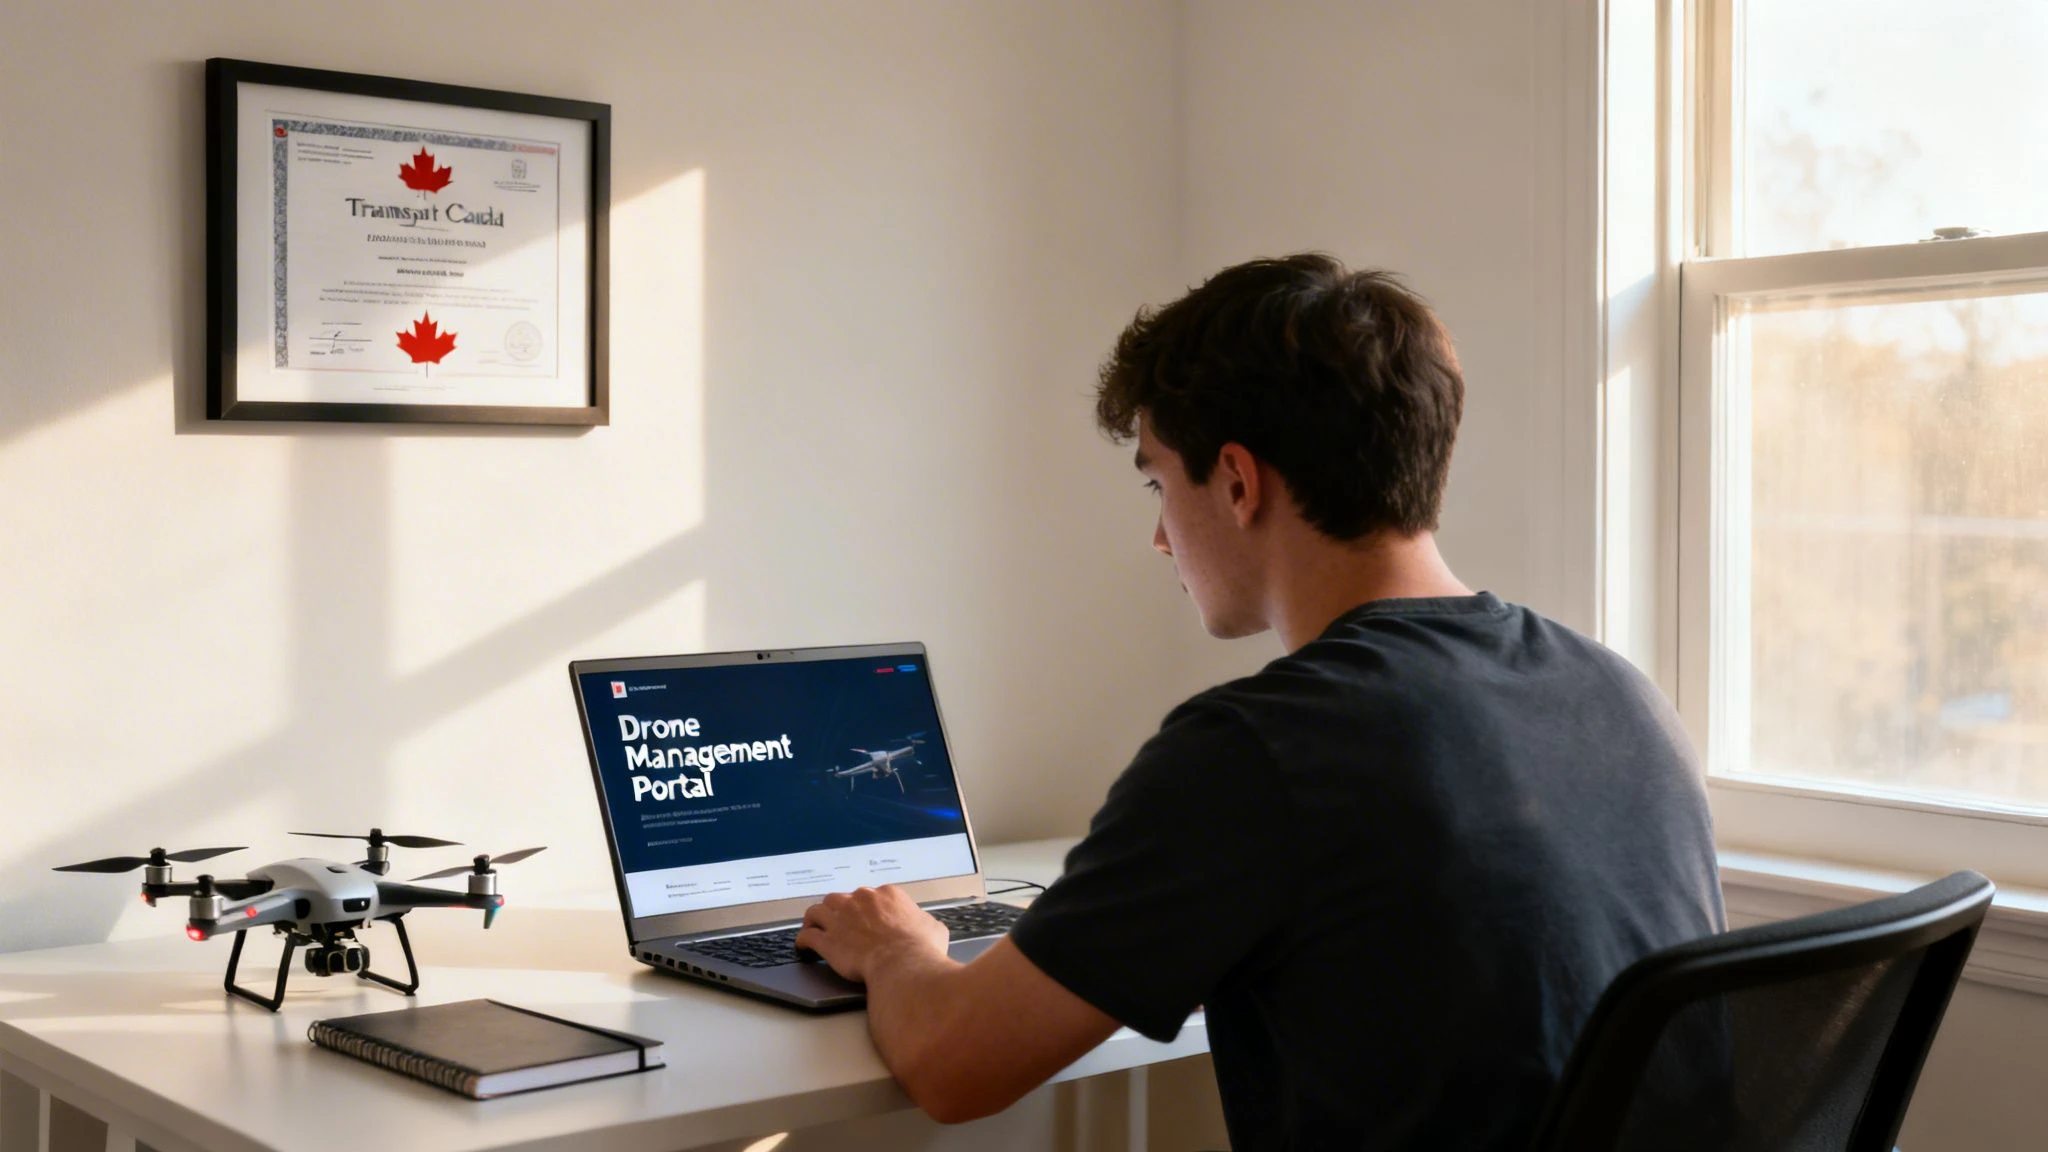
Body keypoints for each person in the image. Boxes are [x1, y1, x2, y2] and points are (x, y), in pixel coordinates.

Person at [793, 254, 1723, 1149]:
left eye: (1159, 482)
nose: (1161, 537)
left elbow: (955, 1066)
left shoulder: (1258, 749)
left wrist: (896, 946)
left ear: (1238, 482)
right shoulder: (1619, 694)